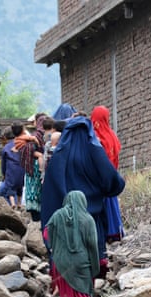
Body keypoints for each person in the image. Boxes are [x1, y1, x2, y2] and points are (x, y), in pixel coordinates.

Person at [41, 116, 125, 279]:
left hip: (69, 214)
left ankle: (69, 284)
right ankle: (91, 284)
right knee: (92, 248)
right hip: (93, 214)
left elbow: (50, 189)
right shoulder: (95, 152)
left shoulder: (59, 155)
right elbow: (112, 179)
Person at [46, 190, 100, 297]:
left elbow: (46, 233)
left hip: (60, 262)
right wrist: (95, 267)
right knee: (83, 293)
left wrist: (55, 245)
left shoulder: (57, 215)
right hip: (81, 263)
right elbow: (92, 246)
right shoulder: (88, 219)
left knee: (67, 295)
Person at [91, 105, 124, 242]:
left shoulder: (94, 136)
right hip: (112, 175)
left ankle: (103, 233)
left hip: (98, 177)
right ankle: (115, 231)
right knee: (112, 202)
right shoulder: (112, 136)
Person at [15, 112, 47, 221]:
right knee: (40, 192)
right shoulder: (44, 134)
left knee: (34, 192)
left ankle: (36, 218)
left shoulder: (36, 135)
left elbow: (25, 149)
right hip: (40, 167)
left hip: (33, 168)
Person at [0, 122, 25, 209]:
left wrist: (4, 174)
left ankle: (12, 204)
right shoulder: (22, 144)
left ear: (5, 137)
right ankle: (19, 203)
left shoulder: (6, 148)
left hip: (11, 171)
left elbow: (3, 164)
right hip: (22, 170)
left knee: (10, 188)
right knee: (20, 187)